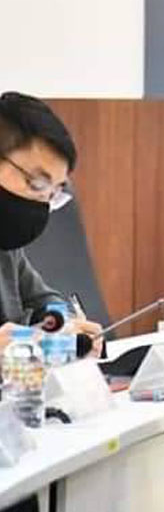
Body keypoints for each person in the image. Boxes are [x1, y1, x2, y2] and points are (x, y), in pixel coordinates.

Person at [0, 92, 102, 347]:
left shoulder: (7, 246)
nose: (41, 203)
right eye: (37, 184)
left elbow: (44, 301)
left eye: (53, 193)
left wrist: (61, 325)